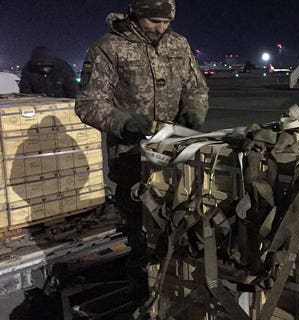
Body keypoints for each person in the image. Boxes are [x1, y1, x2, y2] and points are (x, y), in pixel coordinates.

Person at [74, 0, 209, 306]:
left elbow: (197, 88)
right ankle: (143, 302)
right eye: (154, 21)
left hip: (176, 158)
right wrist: (124, 122)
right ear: (137, 14)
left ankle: (177, 299)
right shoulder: (109, 47)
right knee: (142, 239)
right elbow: (88, 103)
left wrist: (194, 110)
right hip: (132, 160)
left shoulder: (178, 43)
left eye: (166, 22)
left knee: (182, 232)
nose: (161, 28)